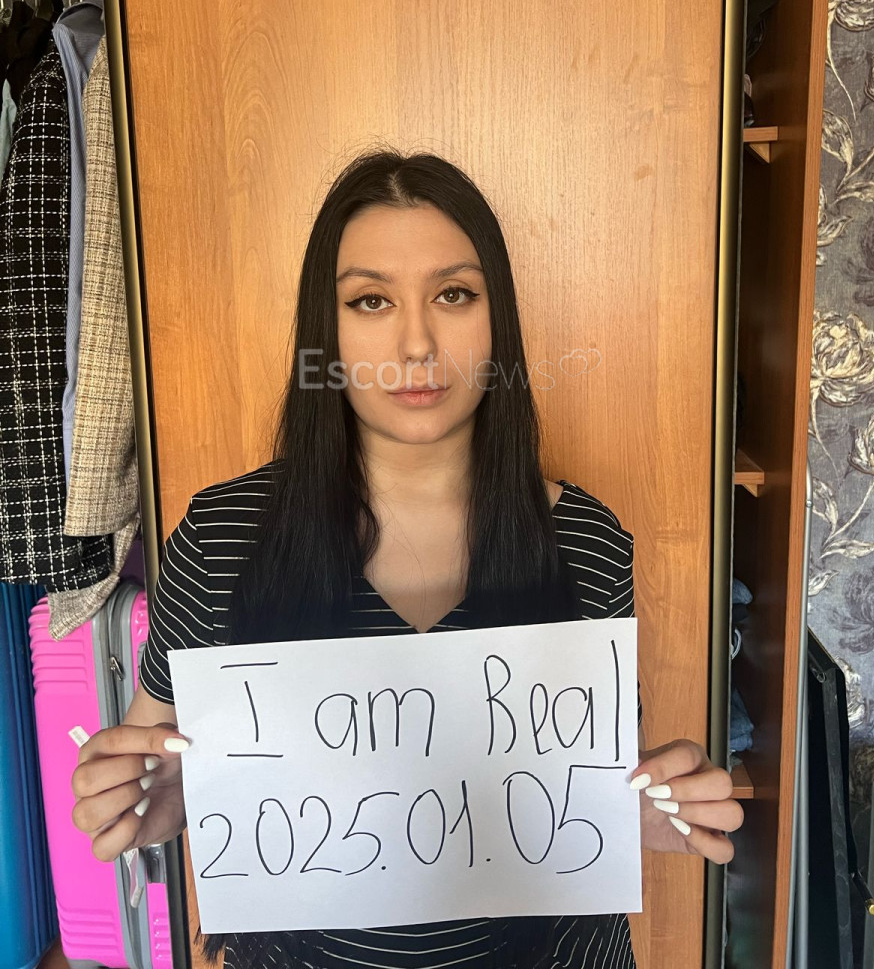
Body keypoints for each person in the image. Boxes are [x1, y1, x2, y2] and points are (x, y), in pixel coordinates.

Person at [71, 149, 744, 968]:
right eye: (371, 300)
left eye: (454, 294)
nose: (417, 343)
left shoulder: (586, 539)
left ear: (498, 320)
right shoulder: (221, 537)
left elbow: (588, 782)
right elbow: (155, 750)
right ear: (327, 330)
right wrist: (157, 797)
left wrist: (642, 806)